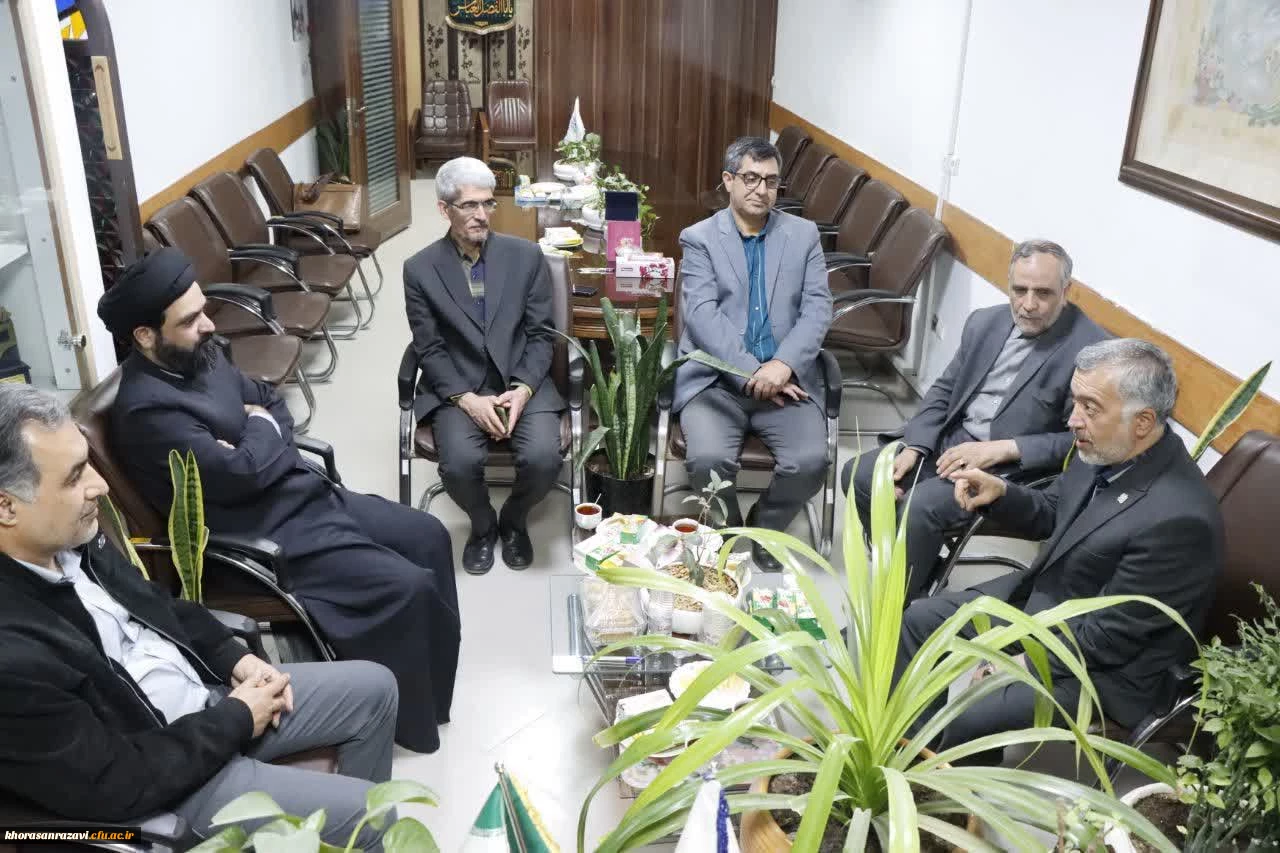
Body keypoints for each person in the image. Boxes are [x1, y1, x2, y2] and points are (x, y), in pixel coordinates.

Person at [0, 385, 398, 849]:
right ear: (6, 506)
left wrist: (233, 658)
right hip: (166, 780)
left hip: (205, 704)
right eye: (73, 478)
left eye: (88, 463)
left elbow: (159, 605)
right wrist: (237, 718)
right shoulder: (13, 655)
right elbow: (114, 781)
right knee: (374, 817)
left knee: (375, 689)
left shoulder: (71, 542)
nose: (100, 485)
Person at [98, 248, 460, 755]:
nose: (208, 324)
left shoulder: (200, 353)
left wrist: (256, 432)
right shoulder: (148, 411)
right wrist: (260, 433)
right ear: (144, 335)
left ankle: (434, 693)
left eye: (204, 310)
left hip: (297, 491)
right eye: (190, 319)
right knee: (408, 588)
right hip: (263, 534)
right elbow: (242, 473)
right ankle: (409, 719)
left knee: (428, 535)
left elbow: (269, 402)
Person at [896, 339, 1223, 762]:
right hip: (1050, 604)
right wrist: (1002, 493)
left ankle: (945, 789)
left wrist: (1021, 662)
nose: (1072, 420)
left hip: (1105, 667)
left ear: (1142, 421)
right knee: (918, 622)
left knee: (972, 710)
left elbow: (1110, 637)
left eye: (1090, 407)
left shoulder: (1179, 519)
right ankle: (911, 754)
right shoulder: (1107, 449)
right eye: (1076, 402)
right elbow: (1055, 511)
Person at [842, 240, 1108, 598]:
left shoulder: (1091, 352)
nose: (1028, 304)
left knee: (918, 507)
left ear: (1066, 290)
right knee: (859, 475)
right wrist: (916, 446)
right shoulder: (985, 322)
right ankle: (911, 567)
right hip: (950, 443)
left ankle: (897, 601)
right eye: (1020, 290)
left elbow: (1082, 441)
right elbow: (943, 390)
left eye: (1043, 293)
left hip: (1007, 469)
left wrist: (1004, 449)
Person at [674, 136, 832, 570]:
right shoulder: (700, 239)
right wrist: (752, 372)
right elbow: (702, 317)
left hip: (786, 382)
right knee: (707, 460)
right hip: (716, 382)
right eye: (750, 178)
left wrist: (782, 365)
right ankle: (728, 527)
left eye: (771, 181)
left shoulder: (803, 236)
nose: (761, 190)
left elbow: (818, 309)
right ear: (728, 181)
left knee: (810, 462)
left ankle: (766, 524)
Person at [403, 156, 564, 575]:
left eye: (488, 203)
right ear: (444, 209)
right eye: (469, 205)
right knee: (457, 465)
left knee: (545, 458)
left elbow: (541, 334)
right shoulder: (419, 270)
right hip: (459, 385)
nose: (482, 214)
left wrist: (524, 389)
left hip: (521, 378)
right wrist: (466, 399)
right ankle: (482, 524)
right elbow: (430, 347)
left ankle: (514, 518)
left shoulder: (526, 256)